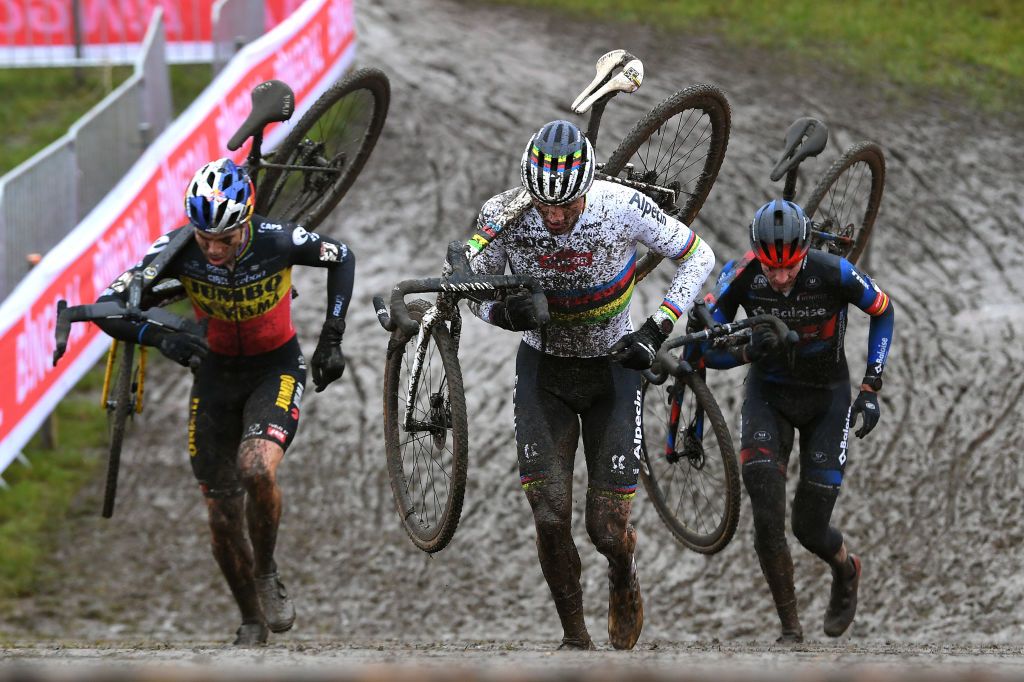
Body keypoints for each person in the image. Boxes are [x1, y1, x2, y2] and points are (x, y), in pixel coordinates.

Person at [466, 120, 715, 650]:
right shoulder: (502, 215)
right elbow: (471, 289)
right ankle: (575, 638)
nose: (555, 218)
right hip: (544, 372)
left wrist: (657, 326)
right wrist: (503, 313)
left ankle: (623, 569)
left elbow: (699, 254)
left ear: (587, 188)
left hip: (613, 373)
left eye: (568, 206)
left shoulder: (620, 205)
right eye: (544, 206)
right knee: (550, 516)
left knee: (606, 529)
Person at [94, 158, 354, 645]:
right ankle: (250, 620)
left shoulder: (278, 238)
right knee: (220, 513)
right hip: (213, 378)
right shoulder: (174, 249)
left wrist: (331, 339)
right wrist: (161, 337)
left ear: (247, 223)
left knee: (257, 468)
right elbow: (109, 308)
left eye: (225, 239)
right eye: (204, 238)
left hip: (274, 367)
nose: (213, 249)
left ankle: (267, 572)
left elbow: (342, 257)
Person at [701, 198, 894, 642]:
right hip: (768, 397)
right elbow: (706, 350)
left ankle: (846, 569)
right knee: (766, 513)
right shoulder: (744, 275)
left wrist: (871, 387)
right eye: (772, 268)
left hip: (828, 399)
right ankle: (790, 629)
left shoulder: (833, 272)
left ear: (806, 251)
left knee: (808, 527)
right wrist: (748, 350)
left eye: (790, 268)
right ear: (758, 255)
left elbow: (883, 311)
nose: (782, 278)